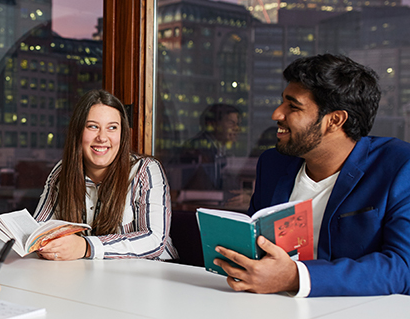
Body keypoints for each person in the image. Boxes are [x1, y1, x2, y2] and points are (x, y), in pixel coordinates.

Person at [214, 53, 410, 297]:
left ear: (335, 120)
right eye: (281, 102)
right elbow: (256, 246)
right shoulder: (273, 163)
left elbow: (403, 268)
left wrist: (296, 277)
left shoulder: (400, 166)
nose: (277, 114)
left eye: (293, 106)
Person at [33, 90, 177, 260]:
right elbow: (39, 229)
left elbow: (154, 241)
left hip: (153, 276)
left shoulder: (146, 170)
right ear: (78, 131)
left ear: (122, 134)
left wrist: (86, 247)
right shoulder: (63, 171)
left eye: (112, 128)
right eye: (93, 126)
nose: (102, 137)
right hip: (91, 275)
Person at [178, 103, 240, 191]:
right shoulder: (198, 150)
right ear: (213, 124)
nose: (236, 128)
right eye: (231, 123)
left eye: (237, 124)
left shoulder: (221, 150)